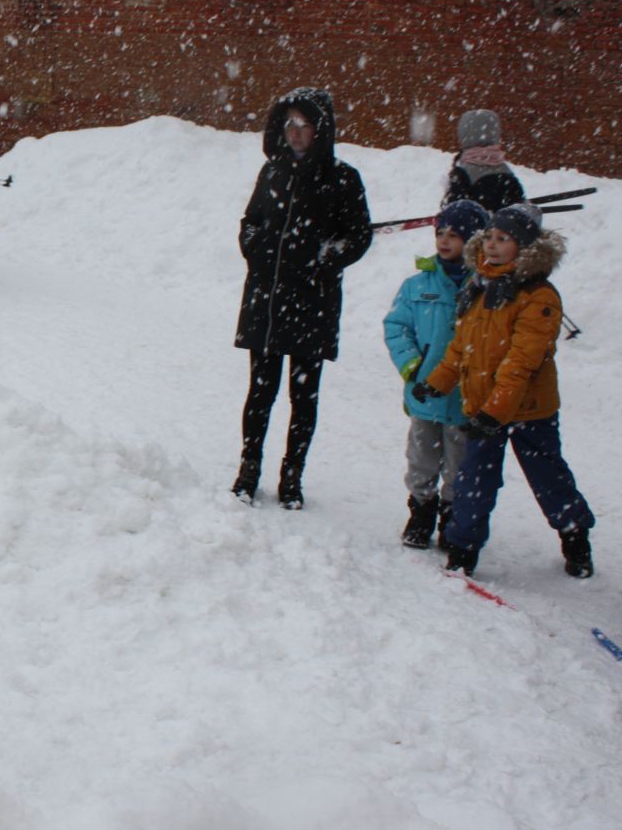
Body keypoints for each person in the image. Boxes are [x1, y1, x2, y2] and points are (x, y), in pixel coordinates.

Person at [414, 202, 594, 577]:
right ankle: (463, 551)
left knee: (549, 479)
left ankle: (574, 536)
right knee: (474, 484)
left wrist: (496, 411)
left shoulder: (537, 295)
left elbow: (521, 363)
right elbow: (460, 348)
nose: (493, 246)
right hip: (483, 410)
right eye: (490, 237)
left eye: (504, 239)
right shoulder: (478, 287)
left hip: (529, 412)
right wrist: (435, 383)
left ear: (525, 247)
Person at [232, 87, 373, 508]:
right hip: (267, 302)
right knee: (260, 392)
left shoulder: (343, 178)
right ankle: (249, 468)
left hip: (312, 303)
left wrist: (324, 258)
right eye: (289, 124)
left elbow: (358, 235)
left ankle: (292, 476)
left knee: (303, 397)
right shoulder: (272, 172)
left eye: (304, 125)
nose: (295, 133)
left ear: (320, 129)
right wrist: (254, 246)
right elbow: (251, 221)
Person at [383, 199, 489, 548]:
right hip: (425, 390)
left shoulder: (486, 286)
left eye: (454, 235)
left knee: (459, 461)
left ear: (473, 240)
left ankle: (451, 514)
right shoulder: (417, 284)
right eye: (440, 232)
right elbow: (396, 326)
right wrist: (412, 365)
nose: (444, 240)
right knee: (422, 457)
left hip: (464, 396)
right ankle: (421, 509)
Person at [442, 108, 525, 214]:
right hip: (500, 229)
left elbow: (453, 211)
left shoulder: (464, 171)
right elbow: (518, 206)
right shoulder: (504, 169)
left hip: (475, 228)